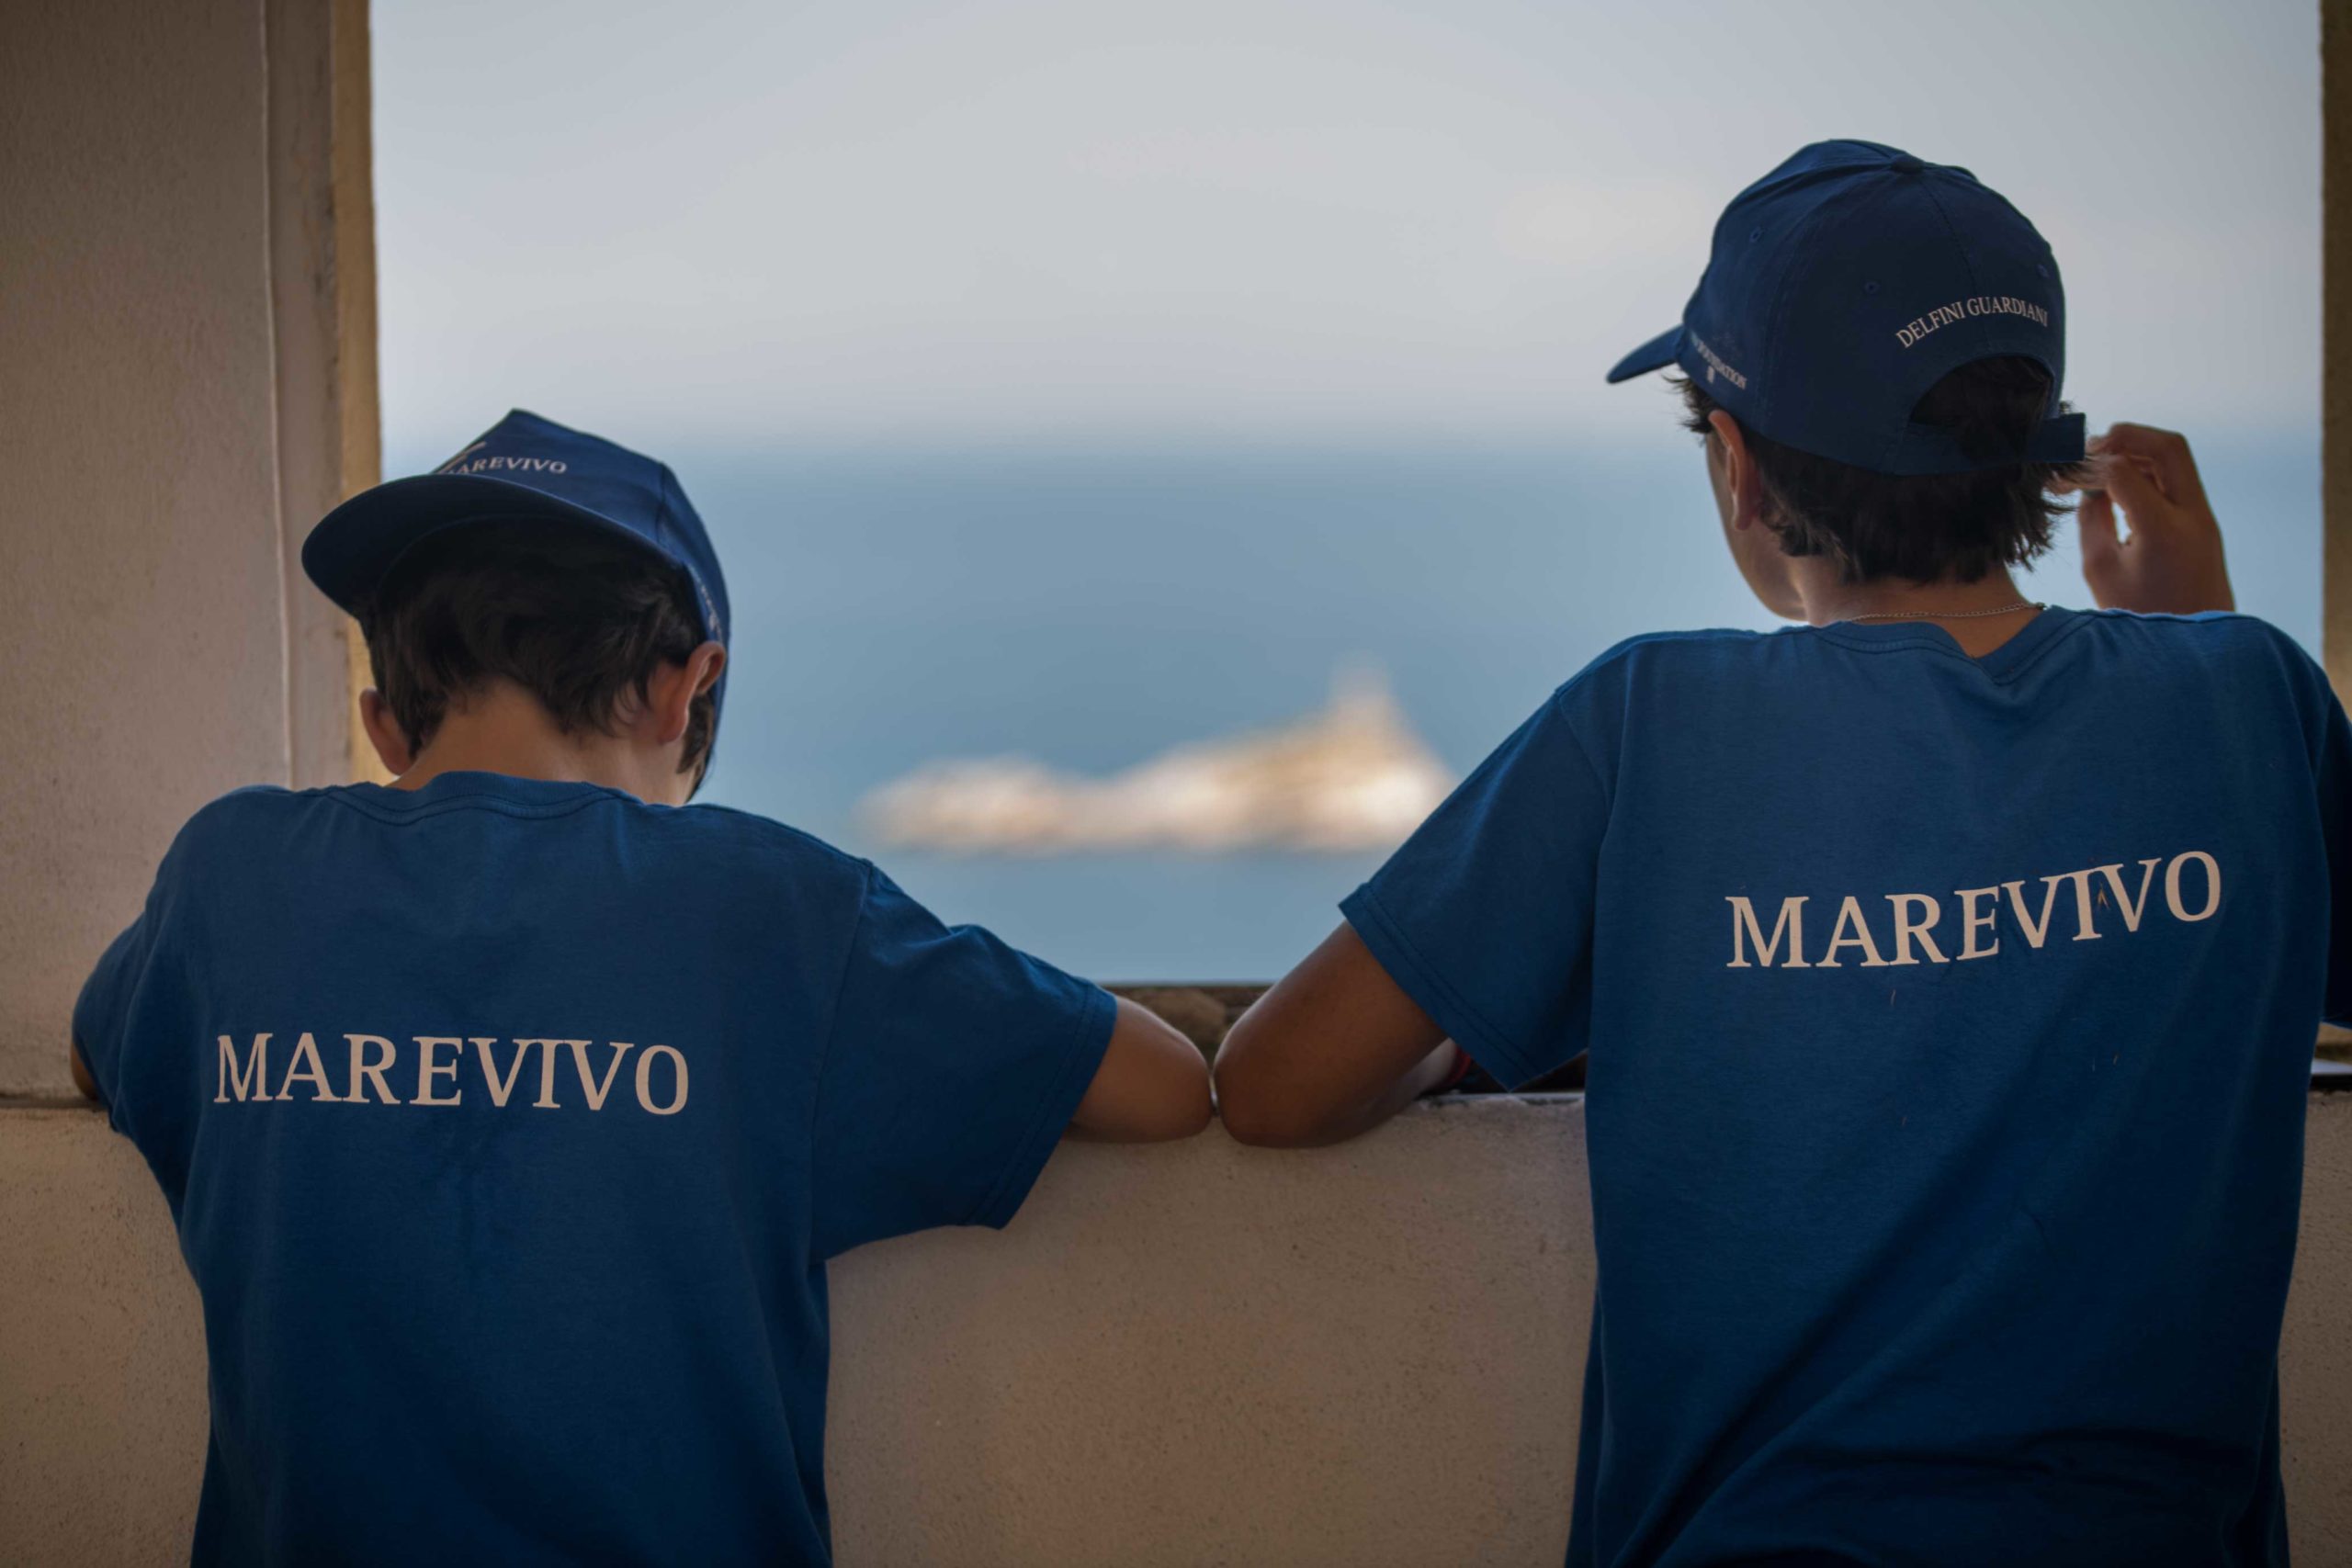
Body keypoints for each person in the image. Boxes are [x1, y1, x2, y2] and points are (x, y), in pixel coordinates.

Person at [1216, 141, 2351, 1565]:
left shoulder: (1649, 719)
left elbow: (1273, 1081)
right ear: (2042, 455)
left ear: (1741, 468)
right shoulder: (2247, 696)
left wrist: (1469, 1029)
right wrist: (2194, 629)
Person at [68, 408, 1212, 1566]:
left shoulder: (232, 875)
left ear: (383, 727)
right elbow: (1162, 1086)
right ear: (687, 688)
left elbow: (100, 1048)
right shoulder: (775, 908)